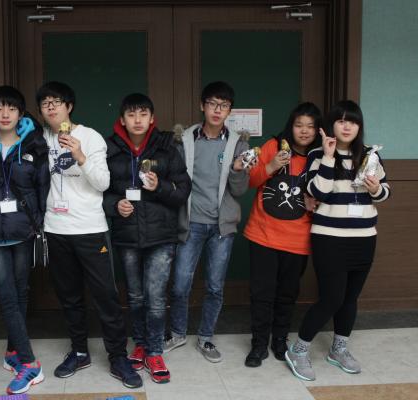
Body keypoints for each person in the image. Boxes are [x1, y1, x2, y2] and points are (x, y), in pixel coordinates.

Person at [36, 81, 142, 389]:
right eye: (45, 104)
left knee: (105, 296)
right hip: (55, 229)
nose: (51, 108)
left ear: (69, 106)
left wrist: (80, 155)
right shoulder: (40, 138)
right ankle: (79, 351)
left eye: (57, 102)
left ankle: (118, 357)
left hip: (90, 229)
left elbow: (103, 183)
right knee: (69, 296)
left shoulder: (90, 136)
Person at [285, 100, 391, 381]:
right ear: (331, 125)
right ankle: (299, 350)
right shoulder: (318, 154)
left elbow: (385, 192)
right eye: (341, 121)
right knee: (332, 298)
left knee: (350, 298)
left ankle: (339, 348)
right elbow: (317, 192)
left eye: (352, 121)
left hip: (364, 238)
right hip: (329, 238)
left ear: (359, 126)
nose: (347, 126)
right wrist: (330, 157)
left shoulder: (370, 155)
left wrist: (376, 189)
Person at [103, 93, 191, 383]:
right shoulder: (110, 148)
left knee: (155, 297)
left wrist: (159, 186)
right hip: (127, 234)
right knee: (135, 296)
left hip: (161, 236)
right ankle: (140, 344)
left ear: (152, 118)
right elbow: (100, 192)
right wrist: (115, 205)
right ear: (122, 119)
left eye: (143, 114)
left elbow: (183, 191)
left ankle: (154, 351)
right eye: (131, 114)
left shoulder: (166, 147)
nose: (137, 120)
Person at [0, 85, 49, 394]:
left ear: (20, 114)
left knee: (20, 291)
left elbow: (42, 187)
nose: (5, 114)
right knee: (6, 295)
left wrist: (37, 222)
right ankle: (29, 362)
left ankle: (13, 350)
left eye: (11, 108)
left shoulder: (34, 145)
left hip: (23, 229)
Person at [164, 81, 252, 362]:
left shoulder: (239, 143)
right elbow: (175, 180)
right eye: (212, 103)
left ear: (229, 110)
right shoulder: (184, 139)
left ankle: (206, 338)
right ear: (202, 105)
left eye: (223, 105)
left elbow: (239, 190)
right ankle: (178, 333)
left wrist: (237, 169)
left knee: (215, 286)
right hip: (190, 223)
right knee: (180, 284)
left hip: (222, 227)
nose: (217, 110)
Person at [243, 102, 322, 367]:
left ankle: (279, 340)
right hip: (263, 234)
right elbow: (249, 181)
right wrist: (272, 165)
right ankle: (258, 344)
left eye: (310, 126)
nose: (304, 131)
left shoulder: (320, 158)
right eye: (299, 125)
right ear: (291, 126)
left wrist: (316, 200)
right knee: (261, 294)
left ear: (317, 130)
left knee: (287, 294)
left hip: (298, 239)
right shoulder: (273, 146)